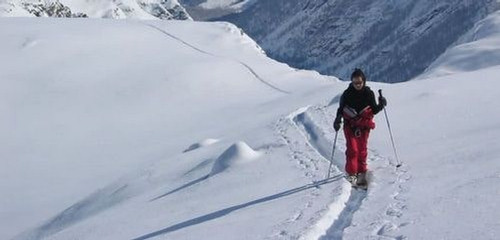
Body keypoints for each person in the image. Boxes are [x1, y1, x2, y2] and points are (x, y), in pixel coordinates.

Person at [333, 68, 387, 188]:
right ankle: (352, 174)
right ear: (352, 82)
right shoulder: (347, 94)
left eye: (359, 82)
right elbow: (341, 109)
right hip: (350, 125)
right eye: (355, 83)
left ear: (364, 81)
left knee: (362, 149)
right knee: (353, 149)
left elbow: (374, 109)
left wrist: (381, 104)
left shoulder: (369, 93)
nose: (357, 85)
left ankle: (361, 172)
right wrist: (337, 120)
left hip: (364, 126)